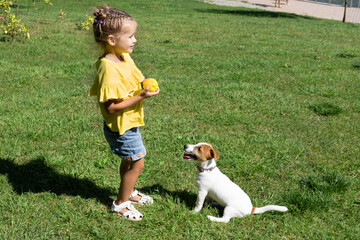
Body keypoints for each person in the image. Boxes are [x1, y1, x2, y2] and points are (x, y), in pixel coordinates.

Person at [89, 5, 160, 221]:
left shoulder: (122, 56)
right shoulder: (108, 68)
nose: (135, 40)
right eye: (130, 36)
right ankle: (120, 203)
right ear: (111, 40)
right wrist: (142, 96)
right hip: (121, 126)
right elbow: (111, 107)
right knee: (138, 163)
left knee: (129, 161)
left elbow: (137, 76)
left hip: (128, 122)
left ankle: (127, 192)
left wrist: (145, 85)